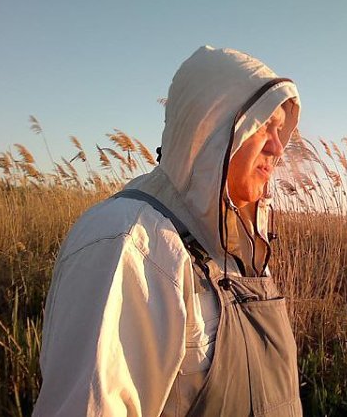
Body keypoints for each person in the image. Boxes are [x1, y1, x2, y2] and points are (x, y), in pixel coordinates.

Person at [33, 46, 302, 416]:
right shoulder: (128, 243)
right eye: (263, 126)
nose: (277, 147)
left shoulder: (242, 242)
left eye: (280, 130)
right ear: (210, 127)